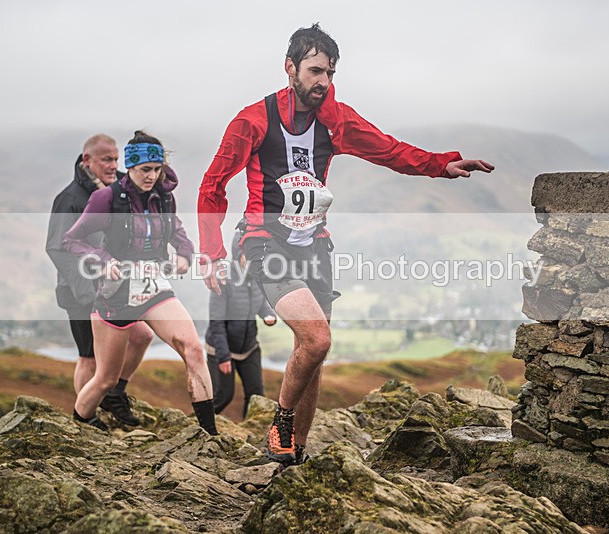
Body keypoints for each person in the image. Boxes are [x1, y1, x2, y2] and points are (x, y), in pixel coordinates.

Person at [197, 24, 494, 464]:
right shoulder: (253, 121)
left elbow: (388, 150)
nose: (324, 82)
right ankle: (280, 422)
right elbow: (212, 186)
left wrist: (441, 165)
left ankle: (292, 455)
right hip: (264, 242)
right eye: (316, 71)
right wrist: (212, 255)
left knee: (315, 355)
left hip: (314, 245)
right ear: (290, 68)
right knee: (315, 339)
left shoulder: (336, 119)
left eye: (331, 74)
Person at [63, 130, 218, 435]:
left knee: (193, 350)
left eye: (157, 169)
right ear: (131, 167)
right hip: (116, 293)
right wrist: (103, 260)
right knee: (106, 379)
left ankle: (209, 434)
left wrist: (185, 255)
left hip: (154, 288)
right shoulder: (105, 198)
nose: (152, 176)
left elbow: (177, 233)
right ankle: (81, 422)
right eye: (145, 169)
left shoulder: (164, 197)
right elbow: (72, 240)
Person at [46, 134, 153, 427]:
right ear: (87, 160)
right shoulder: (69, 199)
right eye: (107, 159)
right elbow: (56, 247)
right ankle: (86, 417)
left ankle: (113, 393)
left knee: (142, 336)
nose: (113, 165)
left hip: (117, 288)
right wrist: (87, 291)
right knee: (89, 357)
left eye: (117, 159)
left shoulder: (119, 189)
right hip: (80, 292)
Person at [205, 222, 277, 419]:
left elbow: (261, 304)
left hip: (249, 348)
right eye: (249, 255)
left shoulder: (257, 277)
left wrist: (269, 315)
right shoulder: (223, 280)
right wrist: (224, 357)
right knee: (222, 397)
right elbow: (216, 323)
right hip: (222, 350)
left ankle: (249, 432)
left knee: (256, 397)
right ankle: (196, 426)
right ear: (238, 255)